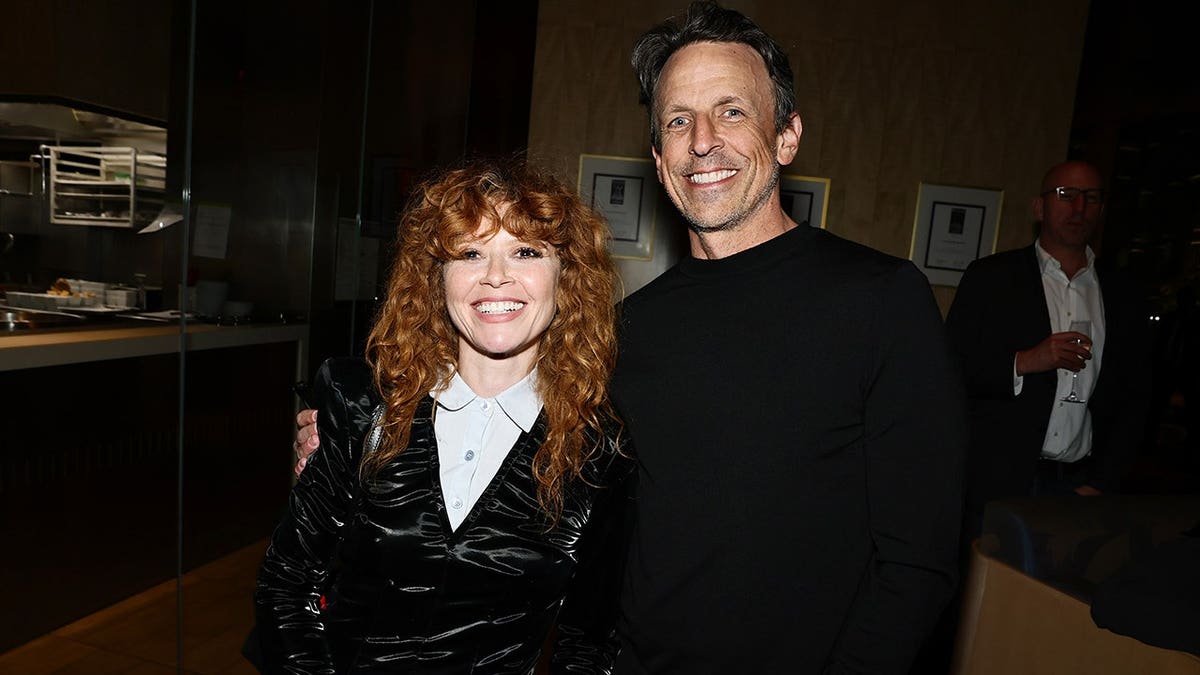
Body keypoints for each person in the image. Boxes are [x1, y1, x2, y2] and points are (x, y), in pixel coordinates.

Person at [297, 3, 965, 673]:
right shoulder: (623, 330)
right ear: (657, 154)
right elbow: (506, 411)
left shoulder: (879, 300)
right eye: (678, 120)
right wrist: (358, 434)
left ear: (787, 135)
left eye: (731, 111)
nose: (703, 140)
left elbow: (918, 561)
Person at [257, 158, 633, 674]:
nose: (496, 276)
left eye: (525, 251)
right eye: (470, 253)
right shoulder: (364, 407)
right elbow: (288, 583)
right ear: (437, 279)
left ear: (565, 278)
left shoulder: (599, 450)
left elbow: (588, 642)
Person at [945, 160, 1151, 534]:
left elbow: (1135, 397)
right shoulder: (991, 278)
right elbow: (949, 370)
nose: (1078, 208)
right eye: (1066, 195)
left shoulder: (1123, 293)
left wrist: (1104, 480)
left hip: (1078, 485)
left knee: (1058, 594)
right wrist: (1025, 361)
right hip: (998, 482)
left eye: (1090, 198)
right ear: (1040, 207)